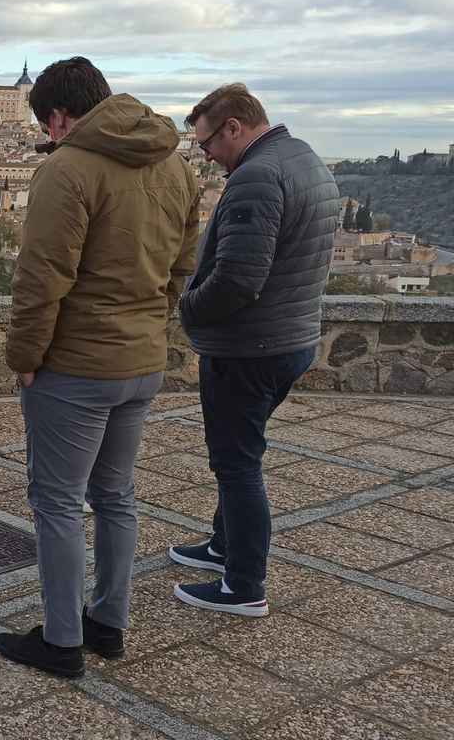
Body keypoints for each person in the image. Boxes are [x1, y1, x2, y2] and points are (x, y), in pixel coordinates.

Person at [0, 58, 200, 678]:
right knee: (115, 496)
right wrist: (148, 322)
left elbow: (41, 278)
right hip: (141, 359)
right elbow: (182, 265)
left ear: (57, 116)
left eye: (46, 123)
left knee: (56, 500)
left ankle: (61, 641)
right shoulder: (175, 162)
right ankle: (107, 623)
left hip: (78, 365)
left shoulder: (68, 167)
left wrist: (25, 357)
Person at [170, 84, 339, 617]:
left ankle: (243, 584)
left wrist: (187, 306)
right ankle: (224, 546)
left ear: (234, 127)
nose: (207, 156)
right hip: (290, 337)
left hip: (249, 347)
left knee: (237, 464)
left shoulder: (257, 177)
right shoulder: (305, 158)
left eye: (207, 143)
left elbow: (238, 281)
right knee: (242, 452)